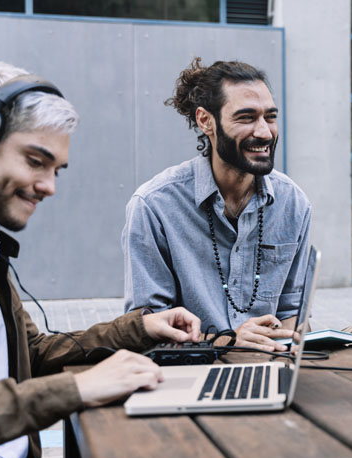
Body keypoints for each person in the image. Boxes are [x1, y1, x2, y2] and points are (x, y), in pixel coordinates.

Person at [0, 62, 203, 458]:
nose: (49, 186)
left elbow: (28, 354)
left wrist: (140, 328)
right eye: (35, 161)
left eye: (56, 170)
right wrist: (75, 389)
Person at [122, 57, 310, 352]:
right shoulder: (154, 206)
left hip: (271, 362)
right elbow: (148, 331)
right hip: (192, 368)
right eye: (246, 118)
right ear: (205, 121)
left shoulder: (293, 203)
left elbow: (292, 313)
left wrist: (290, 347)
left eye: (270, 117)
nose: (264, 132)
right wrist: (227, 343)